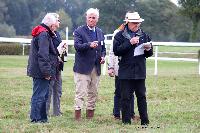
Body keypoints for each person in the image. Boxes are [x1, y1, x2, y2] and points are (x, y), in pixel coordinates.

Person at [113, 12, 153, 125]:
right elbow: (116, 51)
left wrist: (148, 49)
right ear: (128, 23)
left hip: (140, 71)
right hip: (126, 71)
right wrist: (129, 43)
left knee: (142, 96)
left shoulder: (144, 35)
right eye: (134, 23)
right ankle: (126, 121)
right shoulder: (119, 35)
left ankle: (145, 121)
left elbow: (150, 54)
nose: (136, 25)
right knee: (125, 97)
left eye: (138, 23)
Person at [73, 8, 106, 120]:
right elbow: (77, 46)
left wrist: (103, 56)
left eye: (94, 18)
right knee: (81, 93)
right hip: (82, 68)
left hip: (96, 67)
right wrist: (89, 45)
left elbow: (103, 48)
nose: (91, 20)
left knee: (93, 92)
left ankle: (90, 116)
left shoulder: (100, 32)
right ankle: (77, 116)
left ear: (97, 19)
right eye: (89, 17)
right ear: (86, 18)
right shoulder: (79, 31)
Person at [27, 13, 60, 123]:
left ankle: (42, 118)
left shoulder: (42, 32)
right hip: (41, 71)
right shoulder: (43, 34)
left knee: (42, 95)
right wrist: (47, 72)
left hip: (38, 69)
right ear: (50, 25)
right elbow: (43, 55)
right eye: (55, 24)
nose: (56, 26)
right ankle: (36, 119)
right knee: (39, 95)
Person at [108, 13, 139, 121]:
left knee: (131, 91)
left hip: (132, 67)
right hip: (119, 66)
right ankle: (116, 113)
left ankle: (131, 113)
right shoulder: (117, 33)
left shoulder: (137, 32)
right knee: (119, 90)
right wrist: (111, 66)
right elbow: (112, 51)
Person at [46, 14, 67, 116]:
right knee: (49, 90)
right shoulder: (47, 34)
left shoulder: (57, 34)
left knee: (58, 90)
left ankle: (56, 111)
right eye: (58, 20)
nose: (59, 22)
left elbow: (61, 49)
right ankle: (45, 111)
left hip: (58, 66)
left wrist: (63, 57)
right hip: (51, 66)